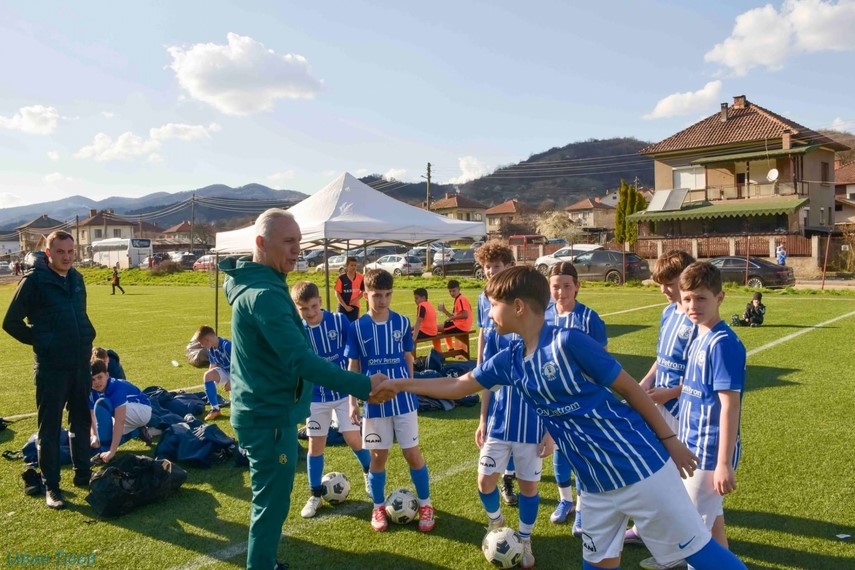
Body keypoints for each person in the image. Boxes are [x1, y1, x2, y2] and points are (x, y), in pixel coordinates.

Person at [372, 266, 748, 570]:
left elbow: (631, 390)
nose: (488, 314)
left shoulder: (569, 342)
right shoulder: (511, 359)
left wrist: (671, 442)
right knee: (598, 563)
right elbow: (459, 384)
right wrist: (403, 384)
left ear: (518, 306)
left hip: (639, 470)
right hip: (595, 485)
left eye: (492, 305)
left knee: (701, 554)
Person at [220, 208, 390, 570]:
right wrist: (363, 386)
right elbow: (301, 360)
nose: (297, 249)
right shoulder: (264, 295)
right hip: (269, 418)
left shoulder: (260, 284)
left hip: (265, 412)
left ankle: (265, 561)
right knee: (271, 504)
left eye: (299, 241)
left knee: (271, 501)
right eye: (288, 241)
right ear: (261, 244)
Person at [3, 230, 96, 509]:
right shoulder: (34, 281)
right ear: (48, 253)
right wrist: (44, 341)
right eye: (60, 252)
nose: (66, 257)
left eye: (70, 252)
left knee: (80, 422)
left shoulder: (77, 279)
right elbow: (11, 322)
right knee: (50, 429)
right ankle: (52, 487)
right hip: (52, 368)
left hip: (80, 365)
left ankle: (83, 474)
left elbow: (80, 316)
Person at [474, 244, 552, 568]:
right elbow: (485, 382)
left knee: (529, 486)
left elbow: (552, 390)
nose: (492, 313)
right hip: (500, 421)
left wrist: (550, 432)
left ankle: (525, 539)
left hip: (532, 425)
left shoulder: (545, 336)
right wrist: (481, 419)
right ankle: (496, 523)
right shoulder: (496, 335)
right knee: (484, 481)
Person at [344, 269, 435, 533]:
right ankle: (378, 507)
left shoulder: (402, 322)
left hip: (403, 401)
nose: (382, 300)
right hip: (374, 402)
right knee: (377, 457)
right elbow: (354, 365)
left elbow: (408, 357)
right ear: (365, 294)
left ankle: (426, 504)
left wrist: (412, 386)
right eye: (376, 295)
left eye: (387, 295)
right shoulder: (357, 327)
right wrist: (352, 402)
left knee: (412, 454)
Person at [625, 250, 697, 566]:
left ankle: (684, 546)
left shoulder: (697, 318)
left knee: (681, 479)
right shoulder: (669, 312)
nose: (665, 290)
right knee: (654, 469)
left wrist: (670, 393)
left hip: (685, 412)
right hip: (660, 403)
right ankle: (646, 528)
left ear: (686, 279)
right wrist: (645, 382)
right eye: (660, 285)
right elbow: (662, 357)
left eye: (669, 283)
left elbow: (700, 372)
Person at [676, 261, 747, 565]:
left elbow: (730, 405)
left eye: (701, 298)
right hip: (693, 449)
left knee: (692, 539)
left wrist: (723, 464)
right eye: (688, 299)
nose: (693, 306)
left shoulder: (722, 343)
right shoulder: (700, 335)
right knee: (713, 526)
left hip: (708, 455)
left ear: (720, 298)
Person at [290, 281, 372, 519]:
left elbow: (353, 355)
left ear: (321, 302)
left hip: (343, 393)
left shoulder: (338, 321)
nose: (311, 313)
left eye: (314, 306)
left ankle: (369, 474)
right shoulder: (298, 330)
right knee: (316, 445)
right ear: (297, 309)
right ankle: (315, 494)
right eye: (304, 309)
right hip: (315, 397)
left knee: (352, 438)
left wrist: (354, 393)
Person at [544, 261, 608, 532]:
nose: (561, 292)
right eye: (556, 287)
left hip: (583, 398)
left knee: (581, 454)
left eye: (567, 286)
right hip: (553, 397)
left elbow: (602, 360)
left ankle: (582, 508)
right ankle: (565, 501)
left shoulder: (589, 318)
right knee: (559, 451)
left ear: (577, 287)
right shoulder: (544, 315)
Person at [474, 241, 522, 507]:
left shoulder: (516, 294)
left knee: (516, 419)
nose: (491, 271)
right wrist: (480, 359)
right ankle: (503, 470)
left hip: (514, 359)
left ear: (507, 266)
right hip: (494, 357)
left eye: (496, 266)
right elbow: (483, 328)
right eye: (487, 267)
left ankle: (510, 475)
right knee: (496, 414)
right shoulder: (483, 296)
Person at [88, 359, 153, 464]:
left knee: (102, 404)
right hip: (125, 413)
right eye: (92, 379)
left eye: (99, 377)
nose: (96, 382)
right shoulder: (91, 391)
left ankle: (104, 452)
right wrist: (95, 436)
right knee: (103, 437)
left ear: (107, 375)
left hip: (142, 411)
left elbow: (120, 421)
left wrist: (112, 451)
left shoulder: (115, 386)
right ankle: (137, 431)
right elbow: (92, 416)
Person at [193, 325, 232, 421]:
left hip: (241, 374)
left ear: (207, 339)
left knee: (237, 408)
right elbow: (212, 366)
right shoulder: (210, 348)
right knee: (208, 375)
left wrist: (232, 381)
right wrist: (209, 385)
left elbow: (241, 366)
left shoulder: (228, 346)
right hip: (227, 371)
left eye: (202, 343)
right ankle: (215, 409)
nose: (202, 346)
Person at [438, 279, 473, 351]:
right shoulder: (458, 299)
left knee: (434, 329)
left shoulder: (460, 299)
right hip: (461, 325)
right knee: (444, 328)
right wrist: (444, 311)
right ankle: (450, 349)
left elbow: (465, 314)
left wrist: (451, 318)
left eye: (454, 290)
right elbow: (455, 317)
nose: (452, 293)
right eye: (450, 291)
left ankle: (439, 352)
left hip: (461, 326)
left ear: (459, 289)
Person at [335, 256, 364, 322]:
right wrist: (345, 306)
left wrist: (356, 300)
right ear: (347, 266)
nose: (354, 267)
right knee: (340, 325)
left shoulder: (360, 277)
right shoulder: (341, 278)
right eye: (351, 265)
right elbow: (337, 293)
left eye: (355, 265)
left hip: (354, 306)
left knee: (352, 326)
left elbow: (363, 291)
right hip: (342, 306)